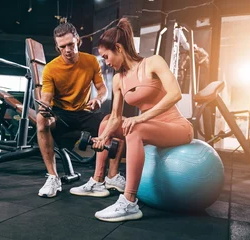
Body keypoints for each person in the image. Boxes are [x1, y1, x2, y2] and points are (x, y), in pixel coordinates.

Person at [70, 18, 194, 222]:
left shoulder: (153, 62)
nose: (106, 62)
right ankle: (98, 181)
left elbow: (175, 94)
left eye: (107, 56)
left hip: (176, 127)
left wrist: (141, 118)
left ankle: (129, 202)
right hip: (150, 126)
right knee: (106, 121)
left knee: (135, 128)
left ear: (118, 48)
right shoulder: (119, 79)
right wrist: (103, 138)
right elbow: (117, 117)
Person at [37, 22, 126, 198]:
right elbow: (46, 98)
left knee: (115, 121)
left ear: (77, 40)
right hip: (61, 115)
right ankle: (53, 178)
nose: (67, 50)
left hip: (84, 113)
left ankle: (112, 176)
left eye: (70, 44)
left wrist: (99, 100)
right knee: (41, 120)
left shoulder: (91, 61)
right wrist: (44, 107)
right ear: (57, 47)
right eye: (62, 46)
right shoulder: (51, 69)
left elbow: (103, 89)